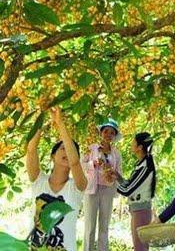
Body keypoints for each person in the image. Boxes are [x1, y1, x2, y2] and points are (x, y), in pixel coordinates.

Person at [26, 107, 87, 251]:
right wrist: (42, 115)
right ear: (52, 156)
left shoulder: (78, 186)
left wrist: (60, 123)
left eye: (70, 149)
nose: (66, 151)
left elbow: (75, 162)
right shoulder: (38, 181)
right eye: (62, 148)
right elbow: (31, 150)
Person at [82, 119, 122, 251]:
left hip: (108, 190)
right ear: (101, 133)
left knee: (104, 225)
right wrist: (93, 163)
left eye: (111, 133)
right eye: (106, 131)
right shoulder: (91, 148)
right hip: (92, 189)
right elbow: (81, 165)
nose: (108, 134)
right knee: (90, 225)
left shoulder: (116, 153)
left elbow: (119, 172)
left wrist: (113, 173)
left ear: (114, 136)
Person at [115, 132, 156, 251]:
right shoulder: (140, 165)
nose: (131, 144)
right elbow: (130, 185)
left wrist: (112, 182)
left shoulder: (145, 167)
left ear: (140, 147)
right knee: (139, 247)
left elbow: (127, 190)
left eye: (133, 142)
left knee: (140, 248)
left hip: (141, 211)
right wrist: (117, 177)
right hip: (137, 210)